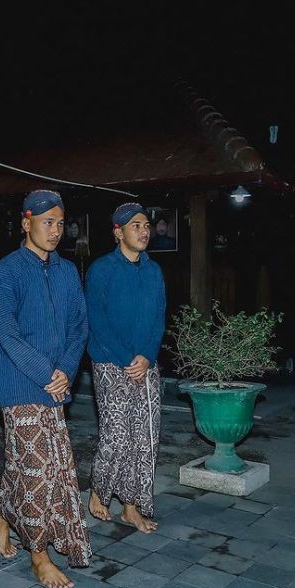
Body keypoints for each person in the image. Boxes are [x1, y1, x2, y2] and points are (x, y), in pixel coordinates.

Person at [0, 189, 91, 588]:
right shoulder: (6, 272)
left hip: (54, 382)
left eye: (60, 223)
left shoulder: (65, 271)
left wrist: (66, 368)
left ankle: (1, 517)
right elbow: (7, 334)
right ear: (26, 222)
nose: (55, 231)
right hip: (19, 384)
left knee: (29, 464)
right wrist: (48, 371)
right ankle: (39, 555)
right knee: (38, 471)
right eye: (47, 222)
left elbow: (79, 325)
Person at [86, 203, 167, 534]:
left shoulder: (154, 271)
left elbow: (159, 317)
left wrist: (147, 355)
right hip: (109, 361)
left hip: (146, 363)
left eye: (147, 225)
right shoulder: (102, 270)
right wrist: (126, 359)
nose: (144, 231)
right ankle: (99, 490)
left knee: (145, 438)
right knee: (118, 433)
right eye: (136, 226)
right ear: (118, 232)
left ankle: (132, 508)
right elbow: (97, 321)